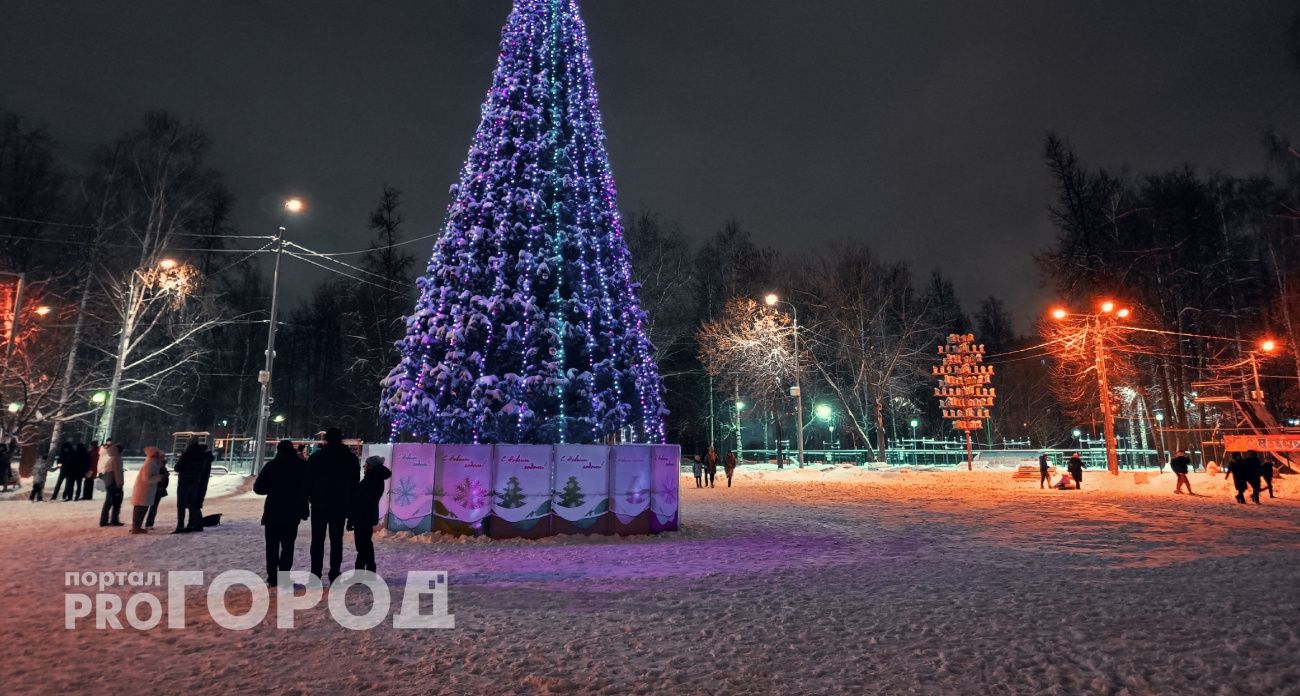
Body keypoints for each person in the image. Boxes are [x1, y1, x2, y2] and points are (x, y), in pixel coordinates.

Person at [307, 428, 360, 583]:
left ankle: (315, 574)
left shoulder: (317, 457)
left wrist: (308, 497)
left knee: (317, 540)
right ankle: (334, 572)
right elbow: (354, 485)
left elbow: (308, 481)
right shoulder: (350, 459)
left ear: (326, 439)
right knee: (336, 540)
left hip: (319, 503)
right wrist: (351, 508)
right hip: (340, 504)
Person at [254, 440, 309, 586]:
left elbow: (258, 488)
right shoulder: (301, 466)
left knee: (272, 546)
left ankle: (272, 577)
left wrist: (272, 489)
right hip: (292, 511)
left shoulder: (272, 466)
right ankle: (284, 575)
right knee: (288, 546)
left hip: (273, 511)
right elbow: (306, 490)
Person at [348, 454, 392, 573]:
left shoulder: (370, 480)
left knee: (362, 545)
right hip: (367, 515)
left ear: (371, 466)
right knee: (365, 543)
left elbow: (359, 500)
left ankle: (362, 571)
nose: (364, 466)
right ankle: (368, 569)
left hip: (362, 516)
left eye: (366, 464)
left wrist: (352, 518)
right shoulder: (375, 478)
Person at [173, 439, 214, 533]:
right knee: (193, 504)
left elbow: (177, 468)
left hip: (184, 482)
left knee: (181, 504)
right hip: (196, 482)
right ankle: (192, 524)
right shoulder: (202, 456)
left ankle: (180, 525)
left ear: (189, 445)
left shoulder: (186, 455)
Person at [130, 447, 165, 534]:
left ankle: (136, 526)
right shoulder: (150, 464)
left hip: (146, 490)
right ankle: (136, 527)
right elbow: (147, 478)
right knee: (140, 509)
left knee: (142, 508)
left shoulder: (153, 463)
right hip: (144, 490)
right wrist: (160, 477)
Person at [98, 443, 125, 527]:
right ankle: (113, 520)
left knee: (109, 502)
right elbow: (117, 473)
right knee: (115, 502)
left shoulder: (111, 459)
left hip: (110, 483)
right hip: (114, 483)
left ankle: (105, 520)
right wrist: (119, 484)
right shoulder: (117, 459)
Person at [144, 456, 170, 529]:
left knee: (149, 506)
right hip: (158, 489)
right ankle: (149, 523)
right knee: (153, 507)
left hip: (155, 489)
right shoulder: (162, 469)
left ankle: (147, 523)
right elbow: (165, 481)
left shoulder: (155, 467)